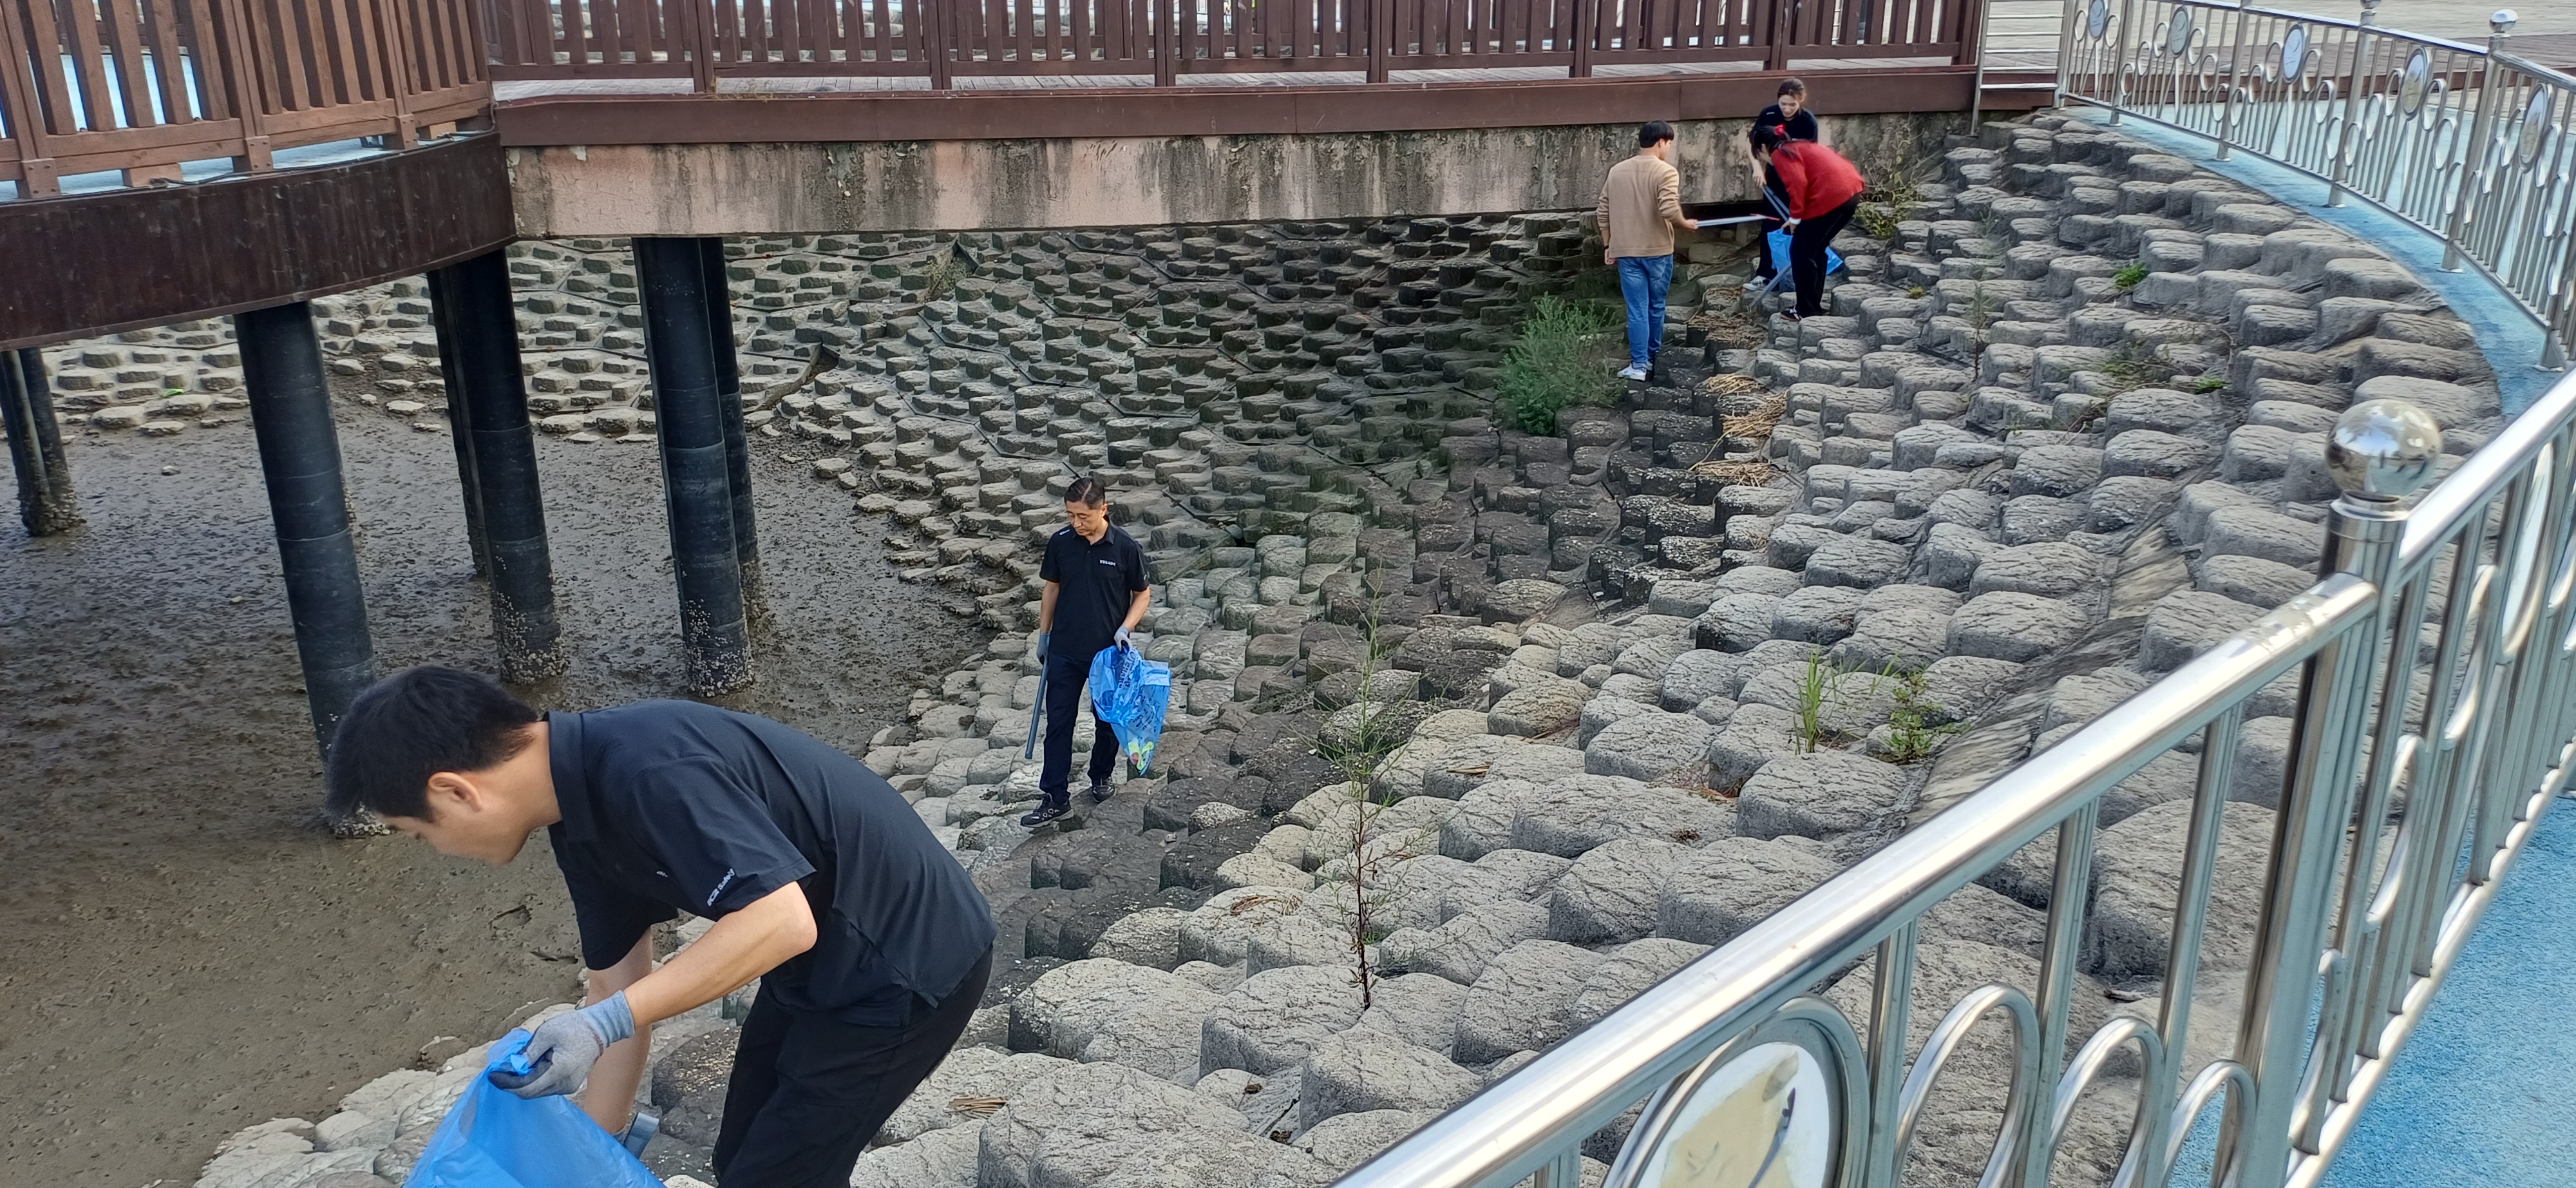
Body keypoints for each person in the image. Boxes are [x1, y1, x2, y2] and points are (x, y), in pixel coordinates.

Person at [323, 667, 996, 1188]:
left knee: (779, 1175)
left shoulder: (647, 765)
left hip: (907, 960)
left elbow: (779, 918)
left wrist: (604, 1022)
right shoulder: (577, 816)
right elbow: (618, 987)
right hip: (824, 962)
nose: (435, 849)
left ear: (455, 790)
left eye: (417, 832)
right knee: (745, 1158)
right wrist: (590, 1144)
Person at [1019, 474, 1151, 828]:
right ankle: (1055, 797)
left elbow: (1142, 594)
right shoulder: (1061, 543)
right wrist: (1043, 635)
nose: (1076, 523)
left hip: (1108, 654)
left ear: (1103, 510)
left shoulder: (1125, 548)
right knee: (1059, 723)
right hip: (1064, 650)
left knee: (1106, 722)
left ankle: (1101, 775)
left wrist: (1126, 628)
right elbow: (1051, 590)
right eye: (1070, 515)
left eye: (1083, 516)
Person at [1596, 120, 1703, 382]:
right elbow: (1668, 208)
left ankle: (1638, 365)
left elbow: (1602, 211)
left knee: (1636, 310)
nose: (1668, 149)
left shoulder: (1617, 171)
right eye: (1669, 143)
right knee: (1656, 307)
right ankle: (1653, 358)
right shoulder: (1666, 171)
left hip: (1626, 252)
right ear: (1661, 142)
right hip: (1658, 252)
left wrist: (1608, 244)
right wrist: (1684, 223)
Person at [1753, 128, 1866, 321]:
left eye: (1758, 152)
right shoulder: (1799, 144)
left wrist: (1796, 219)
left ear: (1764, 147)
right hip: (1850, 191)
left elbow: (1798, 185)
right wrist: (1795, 219)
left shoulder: (1781, 154)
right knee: (1816, 249)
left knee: (1801, 253)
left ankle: (1805, 309)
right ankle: (1812, 306)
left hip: (1830, 197)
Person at [1745, 78, 1824, 291]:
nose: (1787, 109)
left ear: (1801, 101)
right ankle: (1766, 274)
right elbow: (1751, 142)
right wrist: (1757, 167)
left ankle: (1796, 274)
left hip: (1799, 180)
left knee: (1795, 224)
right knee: (1771, 226)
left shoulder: (1808, 122)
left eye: (1792, 104)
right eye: (1783, 104)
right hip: (1774, 179)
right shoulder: (1769, 114)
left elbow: (1809, 157)